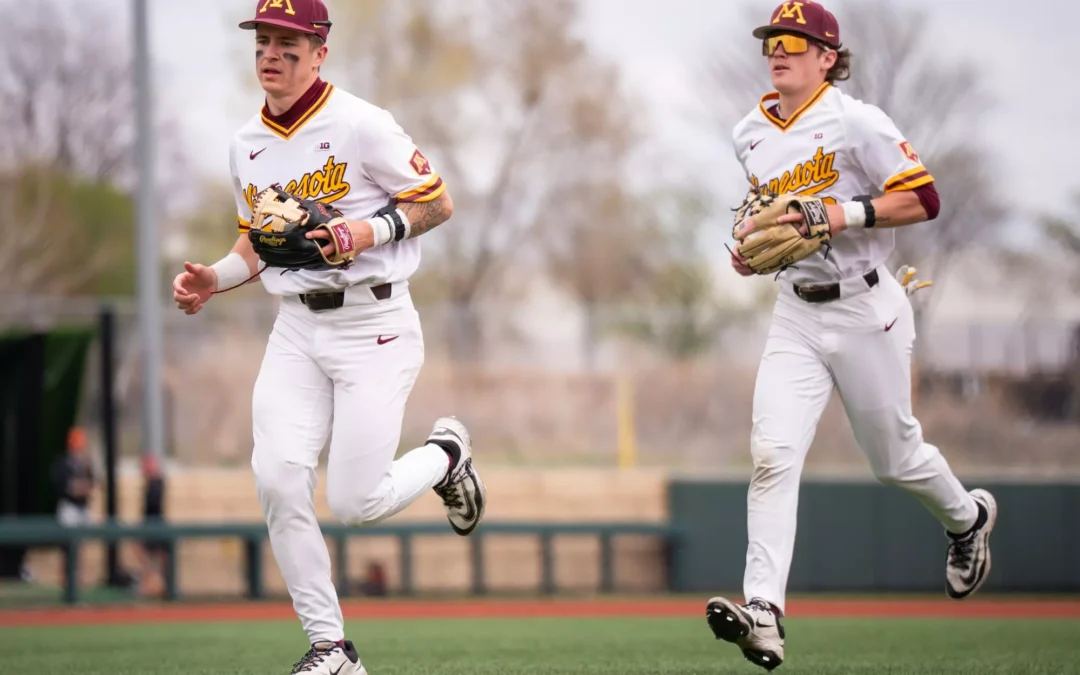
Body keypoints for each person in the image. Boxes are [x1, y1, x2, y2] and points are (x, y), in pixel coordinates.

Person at [171, 1, 486, 673]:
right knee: (278, 478)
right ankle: (330, 647)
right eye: (263, 40)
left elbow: (436, 200)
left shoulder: (361, 123)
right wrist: (215, 279)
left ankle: (447, 453)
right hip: (296, 329)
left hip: (374, 323)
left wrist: (361, 231)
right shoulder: (245, 144)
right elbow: (260, 240)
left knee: (354, 501)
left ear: (320, 51)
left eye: (288, 42)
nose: (271, 54)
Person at [706, 2, 996, 670]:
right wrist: (750, 251)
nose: (777, 51)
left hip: (868, 309)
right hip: (795, 315)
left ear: (826, 58)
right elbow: (769, 222)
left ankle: (967, 519)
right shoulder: (748, 132)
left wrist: (843, 212)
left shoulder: (856, 121)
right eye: (771, 41)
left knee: (895, 458)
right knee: (773, 454)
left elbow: (924, 197)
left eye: (792, 42)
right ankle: (764, 612)